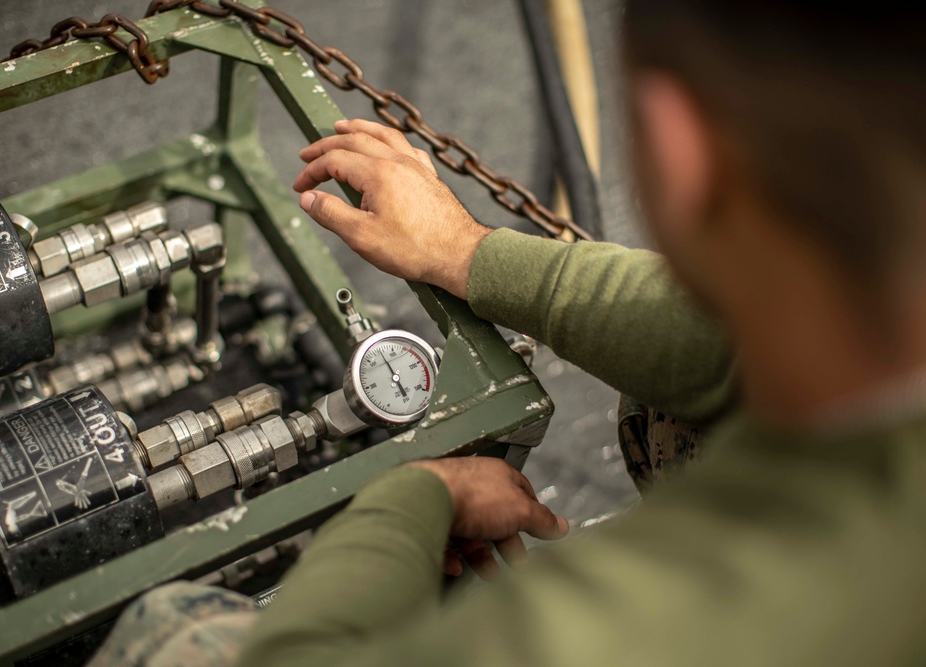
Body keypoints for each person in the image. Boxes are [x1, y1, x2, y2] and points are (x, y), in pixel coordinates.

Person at [90, 2, 926, 666]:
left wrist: (407, 500)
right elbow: (707, 331)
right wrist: (469, 253)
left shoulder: (607, 636)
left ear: (679, 149)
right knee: (671, 402)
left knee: (174, 631)